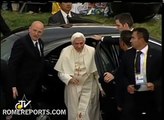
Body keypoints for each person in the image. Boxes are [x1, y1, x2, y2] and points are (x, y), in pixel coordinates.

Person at [54, 32, 103, 120]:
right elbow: (61, 72)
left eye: (81, 43)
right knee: (74, 111)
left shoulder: (91, 50)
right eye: (76, 43)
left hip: (89, 84)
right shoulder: (66, 51)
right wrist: (69, 79)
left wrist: (101, 88)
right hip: (73, 85)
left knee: (87, 111)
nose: (79, 46)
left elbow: (96, 72)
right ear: (72, 43)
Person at [119, 27, 162, 120]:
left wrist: (155, 84)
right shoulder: (127, 55)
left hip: (152, 96)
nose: (130, 40)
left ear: (141, 39)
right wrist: (127, 85)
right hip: (133, 96)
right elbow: (122, 75)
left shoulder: (158, 55)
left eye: (133, 38)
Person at [7, 21, 45, 120]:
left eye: (39, 32)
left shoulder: (40, 43)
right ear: (29, 29)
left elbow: (39, 62)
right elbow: (12, 64)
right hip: (22, 86)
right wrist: (13, 85)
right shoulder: (21, 43)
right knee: (20, 113)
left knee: (30, 112)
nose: (36, 33)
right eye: (34, 30)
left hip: (34, 85)